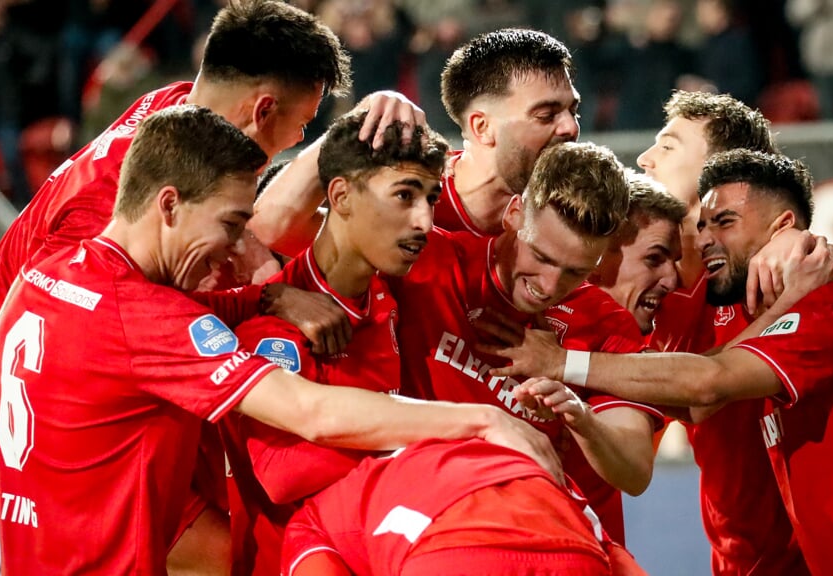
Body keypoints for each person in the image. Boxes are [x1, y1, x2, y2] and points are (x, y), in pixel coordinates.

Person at [0, 2, 422, 567]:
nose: (298, 138)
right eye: (300, 126)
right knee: (220, 551)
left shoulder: (173, 113)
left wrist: (350, 133)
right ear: (262, 109)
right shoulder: (96, 228)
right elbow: (71, 327)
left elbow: (248, 231)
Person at [0, 105, 559, 576]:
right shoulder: (143, 316)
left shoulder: (46, 277)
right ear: (169, 204)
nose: (240, 248)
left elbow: (181, 321)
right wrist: (482, 422)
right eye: (232, 223)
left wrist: (270, 296)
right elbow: (306, 412)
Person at [485, 149, 833, 575]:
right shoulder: (668, 318)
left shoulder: (810, 307)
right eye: (702, 225)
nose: (703, 241)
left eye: (724, 222)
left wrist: (562, 365)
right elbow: (695, 387)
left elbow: (705, 389)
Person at [392, 141, 662, 572]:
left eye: (575, 271)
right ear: (515, 213)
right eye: (540, 256)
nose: (549, 285)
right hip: (435, 539)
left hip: (560, 551)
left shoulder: (606, 323)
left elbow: (634, 471)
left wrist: (580, 416)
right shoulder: (427, 264)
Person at [221, 110, 447, 575]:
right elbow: (284, 475)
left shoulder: (389, 294)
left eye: (430, 198)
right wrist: (440, 440)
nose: (424, 221)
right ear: (340, 196)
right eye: (404, 195)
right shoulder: (275, 327)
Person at [251, 27, 581, 254]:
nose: (569, 128)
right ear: (482, 128)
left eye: (573, 111)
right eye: (546, 115)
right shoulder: (404, 202)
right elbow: (270, 228)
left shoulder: (577, 221)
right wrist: (357, 120)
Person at [282, 439, 614, 576]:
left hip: (455, 553)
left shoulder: (317, 515)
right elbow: (612, 551)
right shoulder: (536, 463)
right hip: (575, 553)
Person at [589, 172, 687, 336]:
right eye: (654, 259)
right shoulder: (539, 336)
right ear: (595, 257)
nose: (672, 282)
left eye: (675, 262)